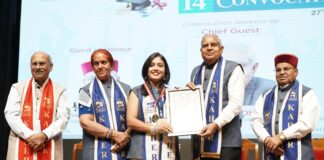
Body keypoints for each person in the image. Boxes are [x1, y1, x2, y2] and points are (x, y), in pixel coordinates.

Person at [250, 53, 320, 160]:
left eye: (286, 69)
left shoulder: (306, 93)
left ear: (296, 72)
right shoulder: (266, 95)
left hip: (300, 155)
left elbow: (307, 123)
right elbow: (255, 120)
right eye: (278, 70)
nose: (282, 72)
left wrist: (280, 137)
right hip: (271, 153)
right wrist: (268, 140)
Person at [187, 34, 245, 160]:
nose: (209, 48)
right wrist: (185, 96)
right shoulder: (195, 72)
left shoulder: (233, 68)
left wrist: (215, 124)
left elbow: (236, 104)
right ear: (200, 50)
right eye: (205, 46)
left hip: (227, 142)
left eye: (213, 45)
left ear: (221, 49)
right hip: (200, 141)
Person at [4, 51, 70, 160]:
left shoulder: (60, 90)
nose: (38, 67)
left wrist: (44, 135)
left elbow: (63, 118)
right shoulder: (17, 88)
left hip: (49, 143)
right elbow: (11, 115)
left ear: (51, 67)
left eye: (42, 63)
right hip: (21, 142)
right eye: (34, 64)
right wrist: (30, 136)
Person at [77, 49, 131, 160]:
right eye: (96, 63)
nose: (100, 66)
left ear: (111, 64)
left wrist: (124, 137)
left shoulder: (126, 89)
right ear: (93, 67)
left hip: (124, 149)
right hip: (95, 151)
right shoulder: (84, 91)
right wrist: (114, 134)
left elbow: (133, 119)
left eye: (104, 62)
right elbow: (85, 122)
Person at [126, 52, 180, 160]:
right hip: (141, 152)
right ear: (146, 70)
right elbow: (130, 121)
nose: (156, 68)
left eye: (160, 65)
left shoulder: (173, 93)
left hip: (168, 150)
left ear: (165, 72)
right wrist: (154, 129)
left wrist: (187, 94)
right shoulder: (136, 91)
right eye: (152, 65)